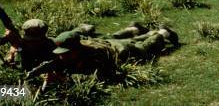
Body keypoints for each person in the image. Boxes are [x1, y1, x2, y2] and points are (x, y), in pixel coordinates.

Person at [29, 23, 178, 84]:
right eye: (61, 53)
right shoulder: (69, 48)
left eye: (66, 53)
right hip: (106, 42)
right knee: (127, 38)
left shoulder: (95, 55)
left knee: (144, 48)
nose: (62, 56)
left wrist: (64, 78)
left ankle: (163, 33)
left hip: (118, 51)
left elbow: (104, 76)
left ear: (77, 49)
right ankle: (136, 28)